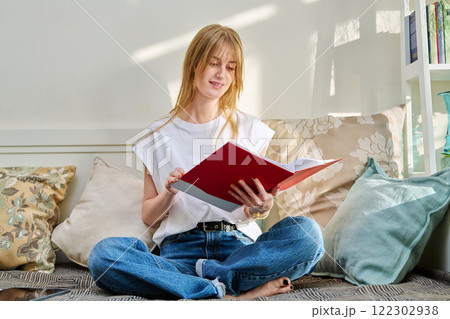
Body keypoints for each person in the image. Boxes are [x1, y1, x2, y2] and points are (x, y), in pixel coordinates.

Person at [88, 24, 324, 300]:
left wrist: (261, 208)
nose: (221, 74)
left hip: (238, 250)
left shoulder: (250, 129)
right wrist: (169, 192)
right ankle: (229, 292)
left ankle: (204, 286)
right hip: (180, 253)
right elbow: (148, 216)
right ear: (194, 64)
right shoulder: (158, 134)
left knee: (307, 234)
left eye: (231, 67)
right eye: (214, 63)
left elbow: (253, 211)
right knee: (104, 256)